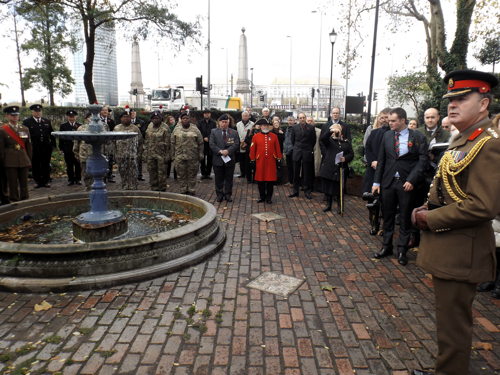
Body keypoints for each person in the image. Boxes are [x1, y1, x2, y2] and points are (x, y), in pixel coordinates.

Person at [411, 70, 500, 375]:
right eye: (451, 99)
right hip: (451, 249)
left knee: (454, 327)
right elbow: (448, 187)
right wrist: (428, 205)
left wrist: (431, 218)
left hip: (463, 252)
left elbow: (483, 205)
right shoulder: (464, 137)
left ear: (484, 102)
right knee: (447, 323)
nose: (452, 104)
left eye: (463, 98)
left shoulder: (488, 144)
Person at [372, 107, 428, 266]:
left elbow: (422, 160)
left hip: (406, 183)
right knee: (388, 215)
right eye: (389, 120)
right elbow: (381, 160)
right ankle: (386, 246)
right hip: (388, 182)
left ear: (403, 120)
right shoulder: (387, 135)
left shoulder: (417, 136)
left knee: (404, 217)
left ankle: (402, 249)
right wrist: (376, 183)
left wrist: (412, 179)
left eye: (393, 120)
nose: (389, 123)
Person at [0, 106, 32, 202]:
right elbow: (1, 149)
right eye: (12, 115)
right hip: (10, 160)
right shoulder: (2, 130)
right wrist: (2, 162)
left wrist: (29, 159)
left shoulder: (25, 129)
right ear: (7, 116)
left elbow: (28, 146)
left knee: (24, 183)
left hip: (23, 159)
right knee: (12, 183)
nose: (15, 117)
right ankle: (14, 200)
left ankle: (25, 199)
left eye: (16, 115)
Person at [319, 123, 354, 213]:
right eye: (334, 130)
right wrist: (331, 131)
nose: (336, 132)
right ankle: (329, 205)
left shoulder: (345, 142)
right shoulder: (329, 141)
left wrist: (345, 158)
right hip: (330, 168)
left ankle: (340, 206)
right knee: (329, 188)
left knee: (339, 189)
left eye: (337, 130)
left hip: (340, 169)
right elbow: (323, 139)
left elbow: (351, 154)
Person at [249, 119, 282, 203]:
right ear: (260, 127)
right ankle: (262, 197)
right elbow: (252, 149)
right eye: (263, 125)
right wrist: (252, 159)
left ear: (269, 126)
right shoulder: (255, 136)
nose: (265, 127)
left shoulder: (274, 136)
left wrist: (279, 158)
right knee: (260, 180)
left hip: (271, 161)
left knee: (270, 180)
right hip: (260, 161)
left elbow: (278, 148)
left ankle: (269, 198)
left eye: (267, 125)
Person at [171, 112, 203, 195]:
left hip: (193, 156)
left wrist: (201, 154)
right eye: (183, 118)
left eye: (187, 118)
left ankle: (191, 189)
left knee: (192, 173)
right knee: (181, 174)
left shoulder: (195, 129)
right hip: (179, 156)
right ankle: (183, 189)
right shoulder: (176, 129)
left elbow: (200, 142)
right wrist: (172, 154)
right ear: (181, 120)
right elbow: (172, 142)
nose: (185, 120)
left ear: (190, 119)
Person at [209, 114, 240, 202]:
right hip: (218, 159)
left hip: (229, 159)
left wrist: (228, 151)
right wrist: (220, 151)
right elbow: (211, 144)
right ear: (219, 122)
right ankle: (219, 195)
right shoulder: (213, 132)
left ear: (228, 123)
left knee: (229, 178)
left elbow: (236, 144)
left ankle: (228, 194)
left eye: (226, 122)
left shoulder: (234, 132)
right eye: (222, 122)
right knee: (218, 178)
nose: (224, 124)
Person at [22, 104, 55, 188]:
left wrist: (53, 145)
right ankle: (37, 181)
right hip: (34, 147)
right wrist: (25, 147)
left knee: (45, 164)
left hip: (46, 147)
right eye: (36, 111)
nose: (38, 113)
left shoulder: (46, 121)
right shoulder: (27, 122)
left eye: (39, 111)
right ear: (32, 112)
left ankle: (46, 180)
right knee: (35, 164)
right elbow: (24, 136)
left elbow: (51, 134)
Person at [289, 112, 316, 199]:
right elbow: (292, 140)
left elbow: (313, 140)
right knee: (295, 173)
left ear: (305, 118)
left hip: (307, 152)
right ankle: (295, 191)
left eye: (303, 117)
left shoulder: (311, 128)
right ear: (298, 119)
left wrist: (308, 149)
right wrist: (297, 148)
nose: (302, 119)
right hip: (297, 152)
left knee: (307, 173)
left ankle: (307, 191)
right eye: (300, 118)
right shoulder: (294, 128)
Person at [113, 112, 142, 190]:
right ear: (121, 118)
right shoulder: (116, 128)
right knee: (123, 173)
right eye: (124, 117)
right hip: (121, 156)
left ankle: (133, 189)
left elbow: (140, 142)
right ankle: (125, 188)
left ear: (130, 118)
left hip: (132, 156)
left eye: (128, 117)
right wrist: (115, 154)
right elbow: (113, 143)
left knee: (133, 174)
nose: (126, 118)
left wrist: (139, 154)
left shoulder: (135, 128)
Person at [144, 111, 170, 192]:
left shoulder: (165, 128)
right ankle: (154, 188)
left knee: (161, 173)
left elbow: (169, 143)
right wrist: (145, 153)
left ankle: (162, 189)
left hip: (161, 155)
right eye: (153, 118)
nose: (155, 120)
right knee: (152, 172)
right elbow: (147, 140)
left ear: (161, 119)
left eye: (157, 118)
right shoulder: (149, 126)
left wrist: (168, 155)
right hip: (151, 154)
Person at [59, 109, 82, 186]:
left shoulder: (80, 126)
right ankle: (71, 179)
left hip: (77, 149)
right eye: (70, 117)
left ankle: (78, 179)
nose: (71, 118)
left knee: (78, 165)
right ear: (67, 117)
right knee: (69, 165)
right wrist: (61, 148)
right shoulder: (63, 126)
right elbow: (61, 138)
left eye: (73, 116)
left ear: (76, 117)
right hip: (67, 148)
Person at [73, 112, 93, 191]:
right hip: (84, 154)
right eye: (89, 117)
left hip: (96, 154)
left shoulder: (100, 127)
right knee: (86, 172)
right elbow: (76, 142)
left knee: (97, 171)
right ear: (86, 119)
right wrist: (76, 153)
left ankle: (96, 186)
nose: (91, 119)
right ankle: (88, 187)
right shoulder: (81, 128)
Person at [197, 109, 216, 179]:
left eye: (208, 113)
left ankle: (208, 173)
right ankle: (203, 174)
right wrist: (203, 137)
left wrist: (208, 137)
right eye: (205, 113)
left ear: (210, 114)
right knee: (202, 159)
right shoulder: (200, 122)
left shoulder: (213, 123)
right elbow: (198, 131)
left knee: (210, 159)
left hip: (210, 143)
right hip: (202, 143)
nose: (206, 114)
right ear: (203, 114)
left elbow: (214, 132)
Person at [100, 106, 116, 183]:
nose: (105, 112)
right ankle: (102, 177)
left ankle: (110, 176)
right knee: (102, 160)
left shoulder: (111, 121)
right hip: (101, 144)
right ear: (100, 111)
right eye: (103, 110)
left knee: (110, 159)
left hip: (109, 144)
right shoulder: (97, 121)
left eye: (106, 110)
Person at [236, 111, 254, 179]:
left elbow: (252, 135)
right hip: (240, 144)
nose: (245, 117)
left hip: (248, 145)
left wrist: (247, 142)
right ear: (241, 116)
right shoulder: (238, 124)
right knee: (241, 161)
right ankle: (242, 173)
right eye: (244, 115)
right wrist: (240, 141)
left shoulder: (252, 124)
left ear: (249, 116)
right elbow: (236, 134)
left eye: (246, 115)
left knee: (248, 161)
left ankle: (248, 176)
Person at [130, 109, 147, 181]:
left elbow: (143, 132)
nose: (133, 114)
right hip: (129, 143)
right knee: (130, 159)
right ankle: (131, 174)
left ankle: (139, 174)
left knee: (139, 159)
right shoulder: (127, 122)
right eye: (132, 113)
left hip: (138, 142)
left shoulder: (141, 122)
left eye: (134, 112)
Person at [282, 116, 295, 184]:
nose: (290, 122)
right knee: (289, 167)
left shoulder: (295, 128)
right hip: (287, 151)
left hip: (293, 151)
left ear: (294, 121)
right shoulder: (287, 128)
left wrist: (291, 149)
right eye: (289, 120)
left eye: (291, 120)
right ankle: (290, 181)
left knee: (293, 168)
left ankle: (293, 182)